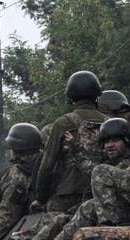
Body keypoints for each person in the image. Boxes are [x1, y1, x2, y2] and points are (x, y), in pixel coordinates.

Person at [21, 118, 130, 240]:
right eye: (106, 142)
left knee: (94, 190)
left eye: (115, 140)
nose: (109, 145)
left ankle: (108, 235)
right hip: (119, 215)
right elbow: (92, 171)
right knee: (76, 211)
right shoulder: (113, 164)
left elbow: (97, 172)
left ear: (127, 141)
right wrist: (75, 149)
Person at [33, 70, 109, 214]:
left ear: (70, 97)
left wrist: (41, 198)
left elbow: (47, 166)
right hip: (103, 191)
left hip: (70, 194)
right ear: (97, 95)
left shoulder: (63, 123)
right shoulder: (110, 122)